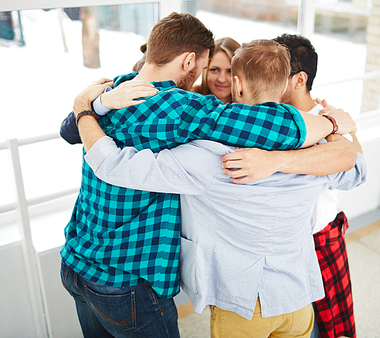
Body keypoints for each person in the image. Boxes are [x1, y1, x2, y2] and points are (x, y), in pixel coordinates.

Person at [59, 13, 357, 338]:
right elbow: (309, 141)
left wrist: (87, 105)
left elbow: (72, 133)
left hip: (77, 260)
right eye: (205, 68)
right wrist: (332, 124)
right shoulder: (189, 114)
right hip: (130, 277)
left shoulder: (113, 89)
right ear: (189, 61)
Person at [221, 33, 359, 338]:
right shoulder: (271, 119)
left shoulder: (323, 122)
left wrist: (275, 161)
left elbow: (356, 171)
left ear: (296, 79)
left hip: (318, 240)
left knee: (329, 329)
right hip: (281, 249)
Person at [192, 37, 240, 103]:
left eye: (230, 71)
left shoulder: (252, 106)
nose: (221, 80)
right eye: (214, 70)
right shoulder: (189, 98)